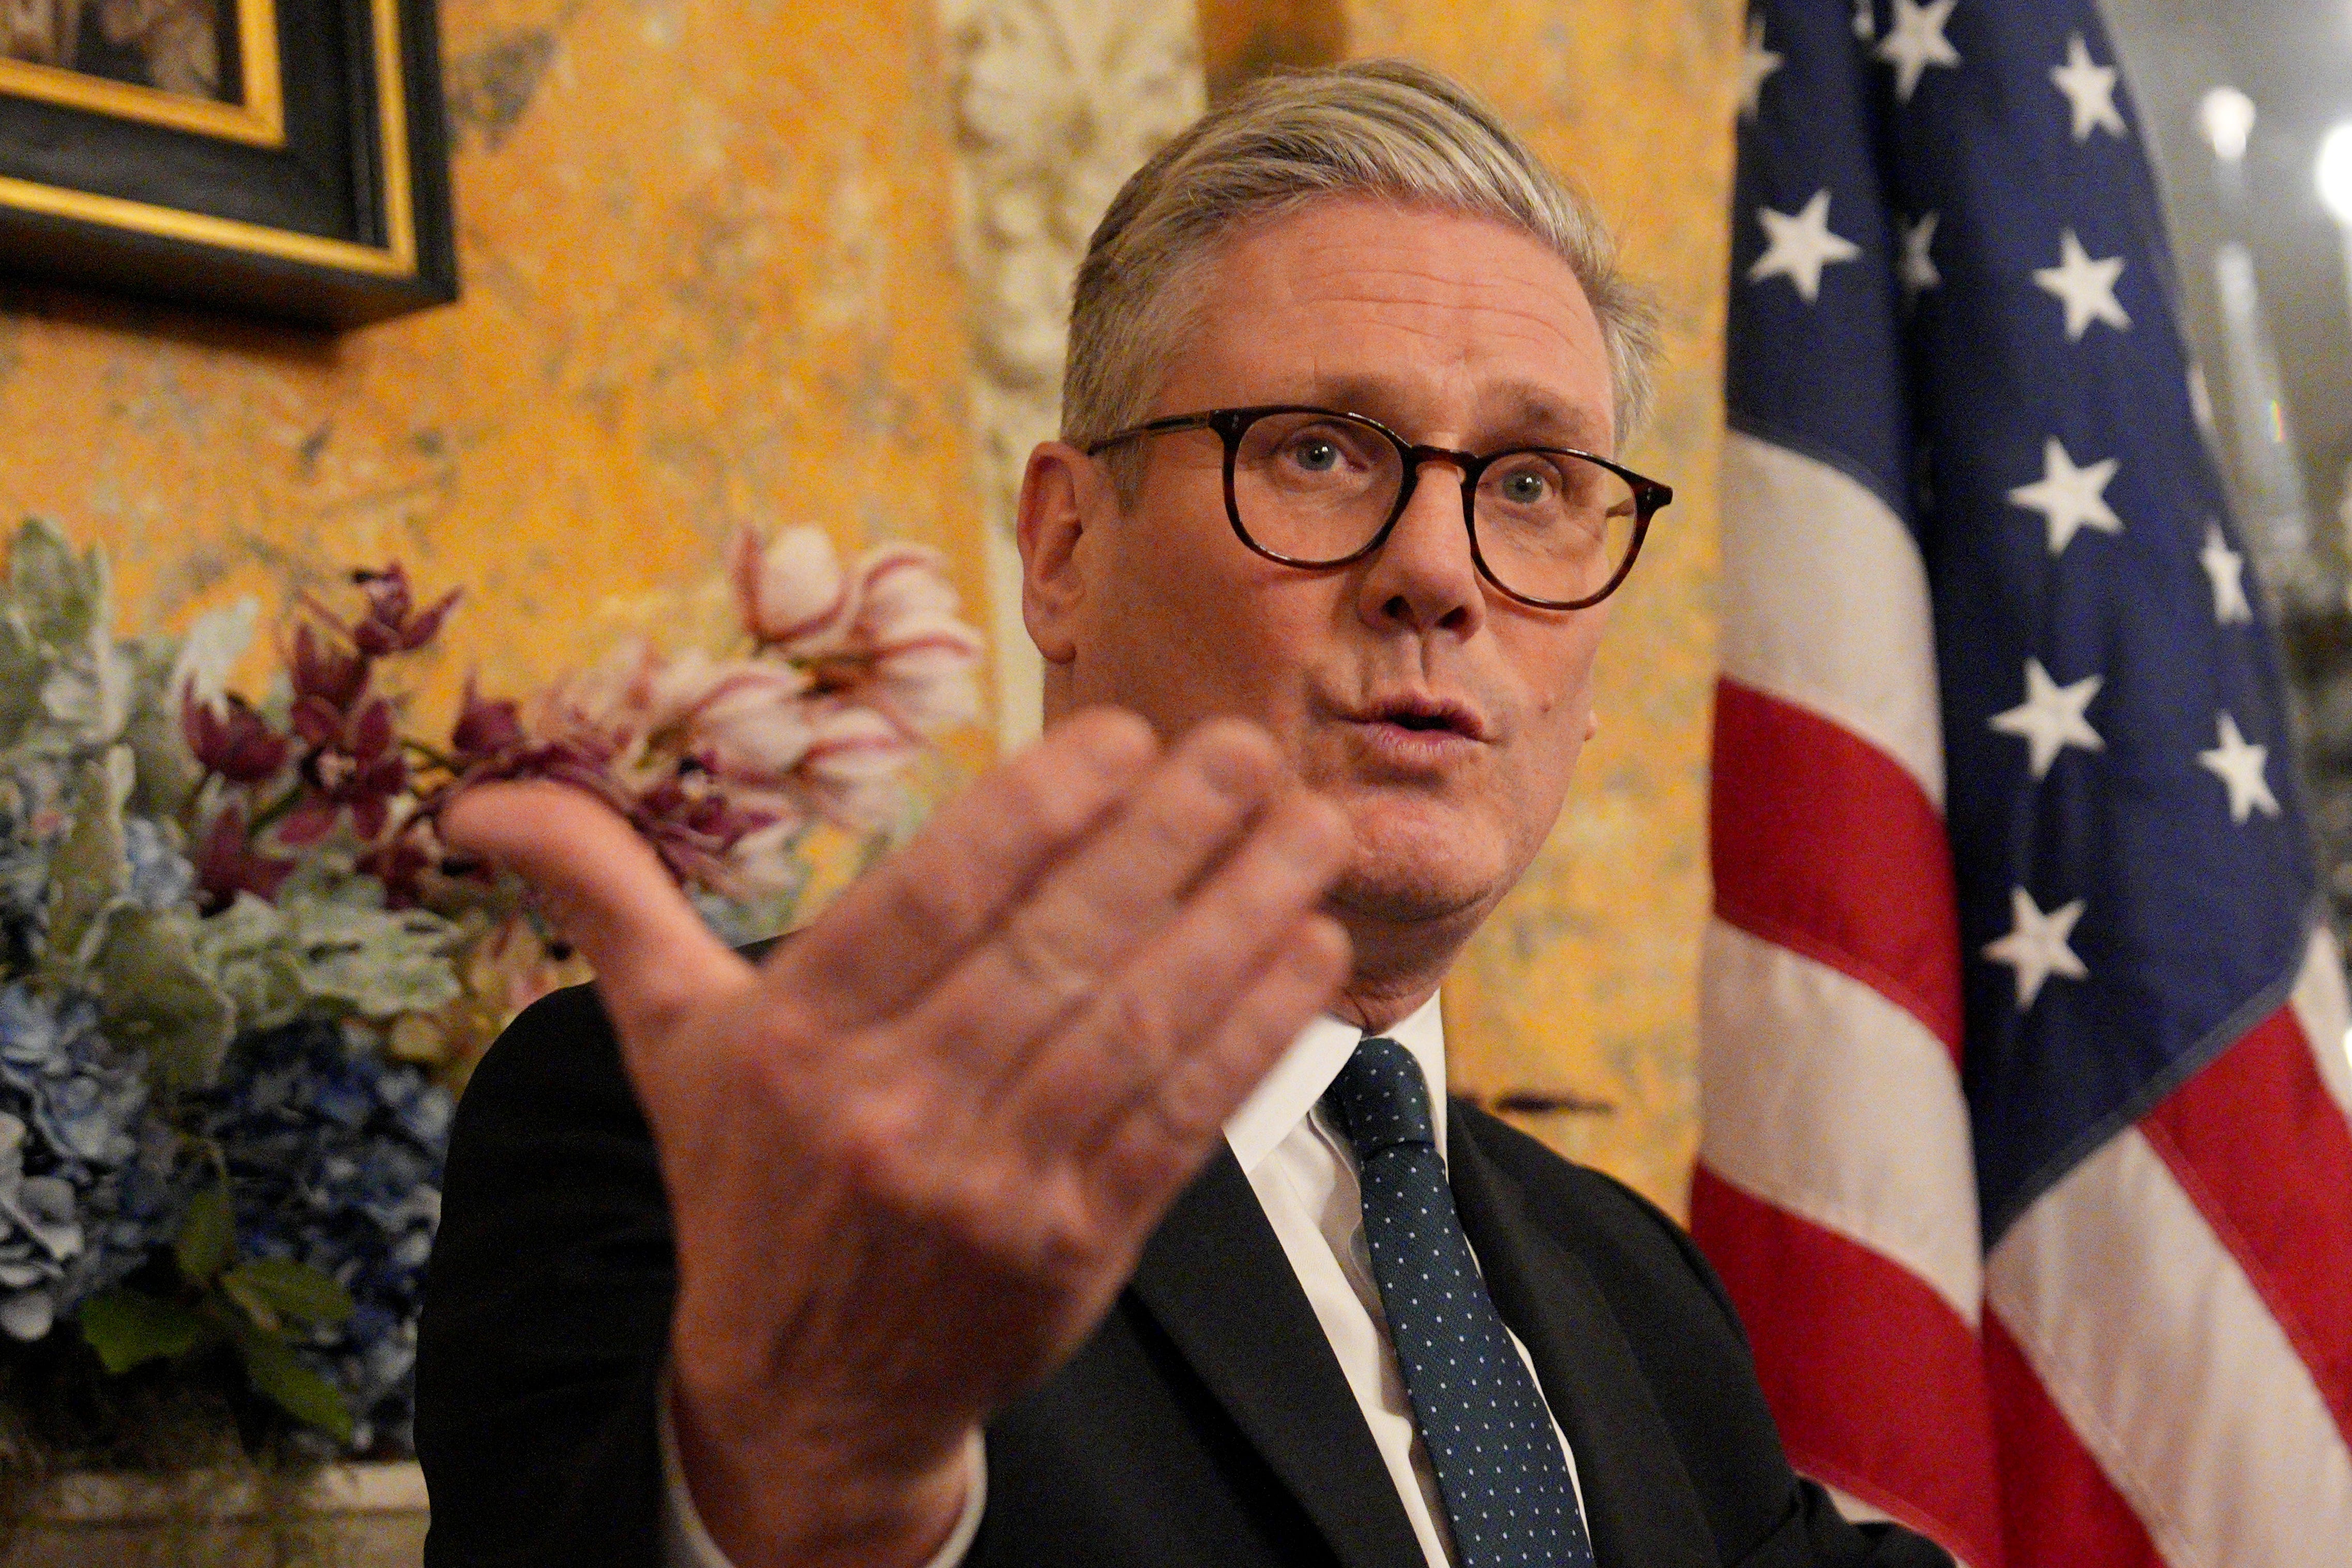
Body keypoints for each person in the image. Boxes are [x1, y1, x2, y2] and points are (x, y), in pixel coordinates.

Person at [415, 61, 1951, 1568]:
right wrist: (806, 1482)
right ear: (1065, 551)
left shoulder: (1639, 1291)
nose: (1440, 572)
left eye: (1532, 484)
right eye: (1318, 451)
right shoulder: (770, 1151)